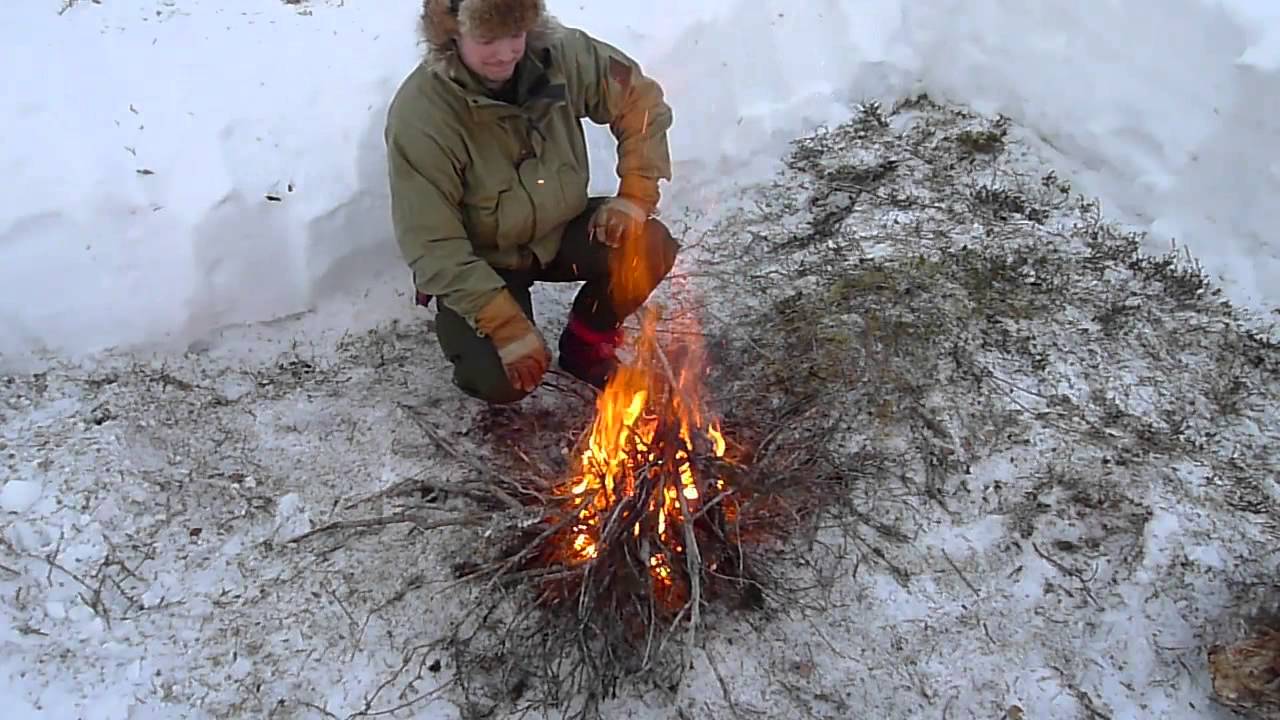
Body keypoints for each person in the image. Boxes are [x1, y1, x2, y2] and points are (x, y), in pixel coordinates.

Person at [384, 0, 679, 404]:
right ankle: (489, 340)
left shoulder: (559, 55)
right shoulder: (422, 115)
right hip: (485, 260)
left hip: (560, 230)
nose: (505, 53)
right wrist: (504, 325)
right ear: (452, 35)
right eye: (487, 39)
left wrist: (634, 195)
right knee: (501, 380)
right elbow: (432, 245)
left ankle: (586, 341)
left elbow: (639, 100)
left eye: (515, 34)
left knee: (649, 245)